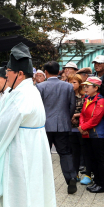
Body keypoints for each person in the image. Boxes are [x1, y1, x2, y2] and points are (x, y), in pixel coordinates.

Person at [0, 43, 58, 207]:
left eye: (8, 72)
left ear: (19, 73)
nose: (6, 76)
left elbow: (1, 130)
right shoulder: (29, 90)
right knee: (29, 206)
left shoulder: (21, 95)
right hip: (31, 153)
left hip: (21, 157)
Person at [36, 61, 78, 194]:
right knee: (65, 153)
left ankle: (40, 183)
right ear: (59, 72)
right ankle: (71, 177)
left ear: (46, 72)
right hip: (63, 124)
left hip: (44, 125)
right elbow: (72, 106)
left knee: (43, 154)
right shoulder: (68, 87)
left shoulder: (40, 86)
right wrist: (67, 117)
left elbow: (38, 107)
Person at [78, 77, 104, 193]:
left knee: (99, 160)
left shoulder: (101, 101)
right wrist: (81, 126)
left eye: (87, 86)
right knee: (92, 159)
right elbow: (82, 114)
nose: (85, 88)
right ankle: (97, 183)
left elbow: (96, 118)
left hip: (98, 135)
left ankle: (102, 185)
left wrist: (83, 127)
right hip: (87, 134)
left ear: (96, 88)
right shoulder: (87, 99)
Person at [67, 74, 85, 183]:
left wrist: (75, 116)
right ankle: (75, 174)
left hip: (82, 128)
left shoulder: (84, 96)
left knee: (85, 151)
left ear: (79, 84)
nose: (72, 85)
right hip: (70, 128)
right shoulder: (66, 96)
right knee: (74, 153)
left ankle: (88, 174)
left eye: (75, 82)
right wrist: (69, 117)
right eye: (70, 82)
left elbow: (86, 111)